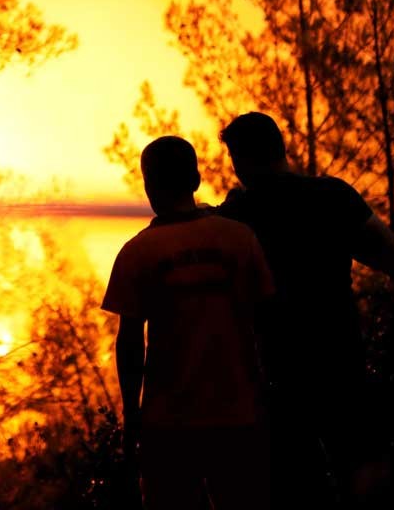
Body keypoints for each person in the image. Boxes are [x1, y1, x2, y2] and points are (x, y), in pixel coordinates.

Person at [215, 112, 394, 505]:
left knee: (295, 486)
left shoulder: (235, 217)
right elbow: (390, 253)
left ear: (240, 161)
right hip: (341, 359)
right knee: (363, 474)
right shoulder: (331, 196)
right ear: (280, 149)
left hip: (275, 373)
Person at [103, 135, 274, 510]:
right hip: (241, 417)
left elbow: (130, 344)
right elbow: (268, 323)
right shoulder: (240, 239)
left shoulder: (137, 252)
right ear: (196, 181)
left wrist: (132, 418)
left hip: (168, 426)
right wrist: (272, 396)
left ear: (148, 185)